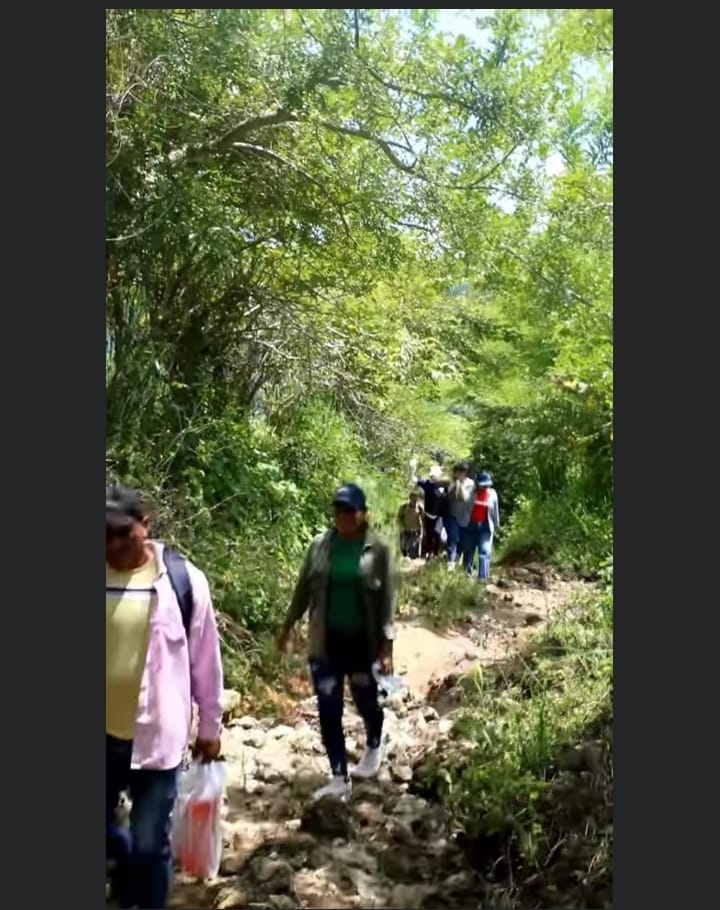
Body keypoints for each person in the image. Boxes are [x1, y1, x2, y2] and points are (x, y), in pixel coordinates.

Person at [106, 486, 224, 910]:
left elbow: (205, 661)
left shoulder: (181, 582)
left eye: (122, 533)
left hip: (158, 739)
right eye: (104, 534)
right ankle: (124, 875)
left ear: (146, 525)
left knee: (150, 843)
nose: (113, 544)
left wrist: (210, 727)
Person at [277, 483, 395, 801]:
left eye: (350, 510)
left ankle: (374, 743)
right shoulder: (320, 546)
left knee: (366, 700)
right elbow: (303, 590)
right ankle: (339, 776)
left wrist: (387, 647)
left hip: (362, 644)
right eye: (339, 510)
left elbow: (387, 600)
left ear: (363, 514)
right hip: (325, 644)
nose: (343, 516)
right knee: (329, 709)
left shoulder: (378, 550)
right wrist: (287, 626)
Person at [465, 471, 501, 582]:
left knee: (484, 551)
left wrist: (496, 525)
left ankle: (482, 578)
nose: (485, 487)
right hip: (471, 525)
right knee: (469, 550)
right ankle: (466, 574)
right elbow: (465, 509)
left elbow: (495, 511)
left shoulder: (493, 494)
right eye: (483, 485)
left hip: (485, 527)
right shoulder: (471, 493)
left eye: (487, 484)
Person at [445, 462, 476, 571]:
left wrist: (460, 486)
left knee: (462, 542)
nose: (459, 473)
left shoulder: (471, 484)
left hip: (466, 518)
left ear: (465, 472)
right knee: (452, 538)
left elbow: (467, 499)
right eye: (457, 471)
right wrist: (454, 486)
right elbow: (448, 497)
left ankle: (458, 558)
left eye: (461, 471)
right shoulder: (453, 483)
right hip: (453, 515)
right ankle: (451, 562)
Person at [415, 466, 448, 559]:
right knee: (429, 534)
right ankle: (429, 553)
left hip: (439, 515)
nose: (434, 478)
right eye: (432, 476)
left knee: (437, 533)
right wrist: (412, 468)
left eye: (435, 476)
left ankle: (436, 553)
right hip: (428, 514)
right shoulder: (427, 484)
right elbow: (415, 480)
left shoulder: (444, 486)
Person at [397, 489, 425, 558]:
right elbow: (399, 518)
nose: (414, 501)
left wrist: (422, 532)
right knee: (403, 549)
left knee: (412, 551)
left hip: (415, 532)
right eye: (413, 498)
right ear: (410, 498)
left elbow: (423, 520)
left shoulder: (420, 508)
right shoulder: (404, 507)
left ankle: (413, 556)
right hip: (405, 531)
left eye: (416, 499)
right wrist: (402, 526)